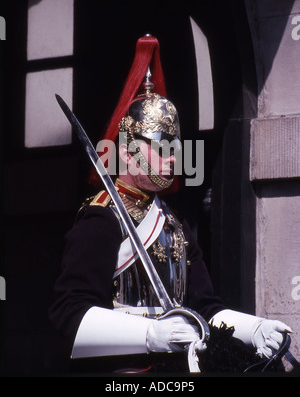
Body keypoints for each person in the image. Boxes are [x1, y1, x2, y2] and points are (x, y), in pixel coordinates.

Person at [49, 35, 291, 374]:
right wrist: (149, 333)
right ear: (126, 151)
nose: (172, 155)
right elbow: (69, 314)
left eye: (174, 145)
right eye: (158, 145)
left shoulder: (173, 224)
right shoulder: (101, 218)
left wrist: (254, 330)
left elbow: (205, 307)